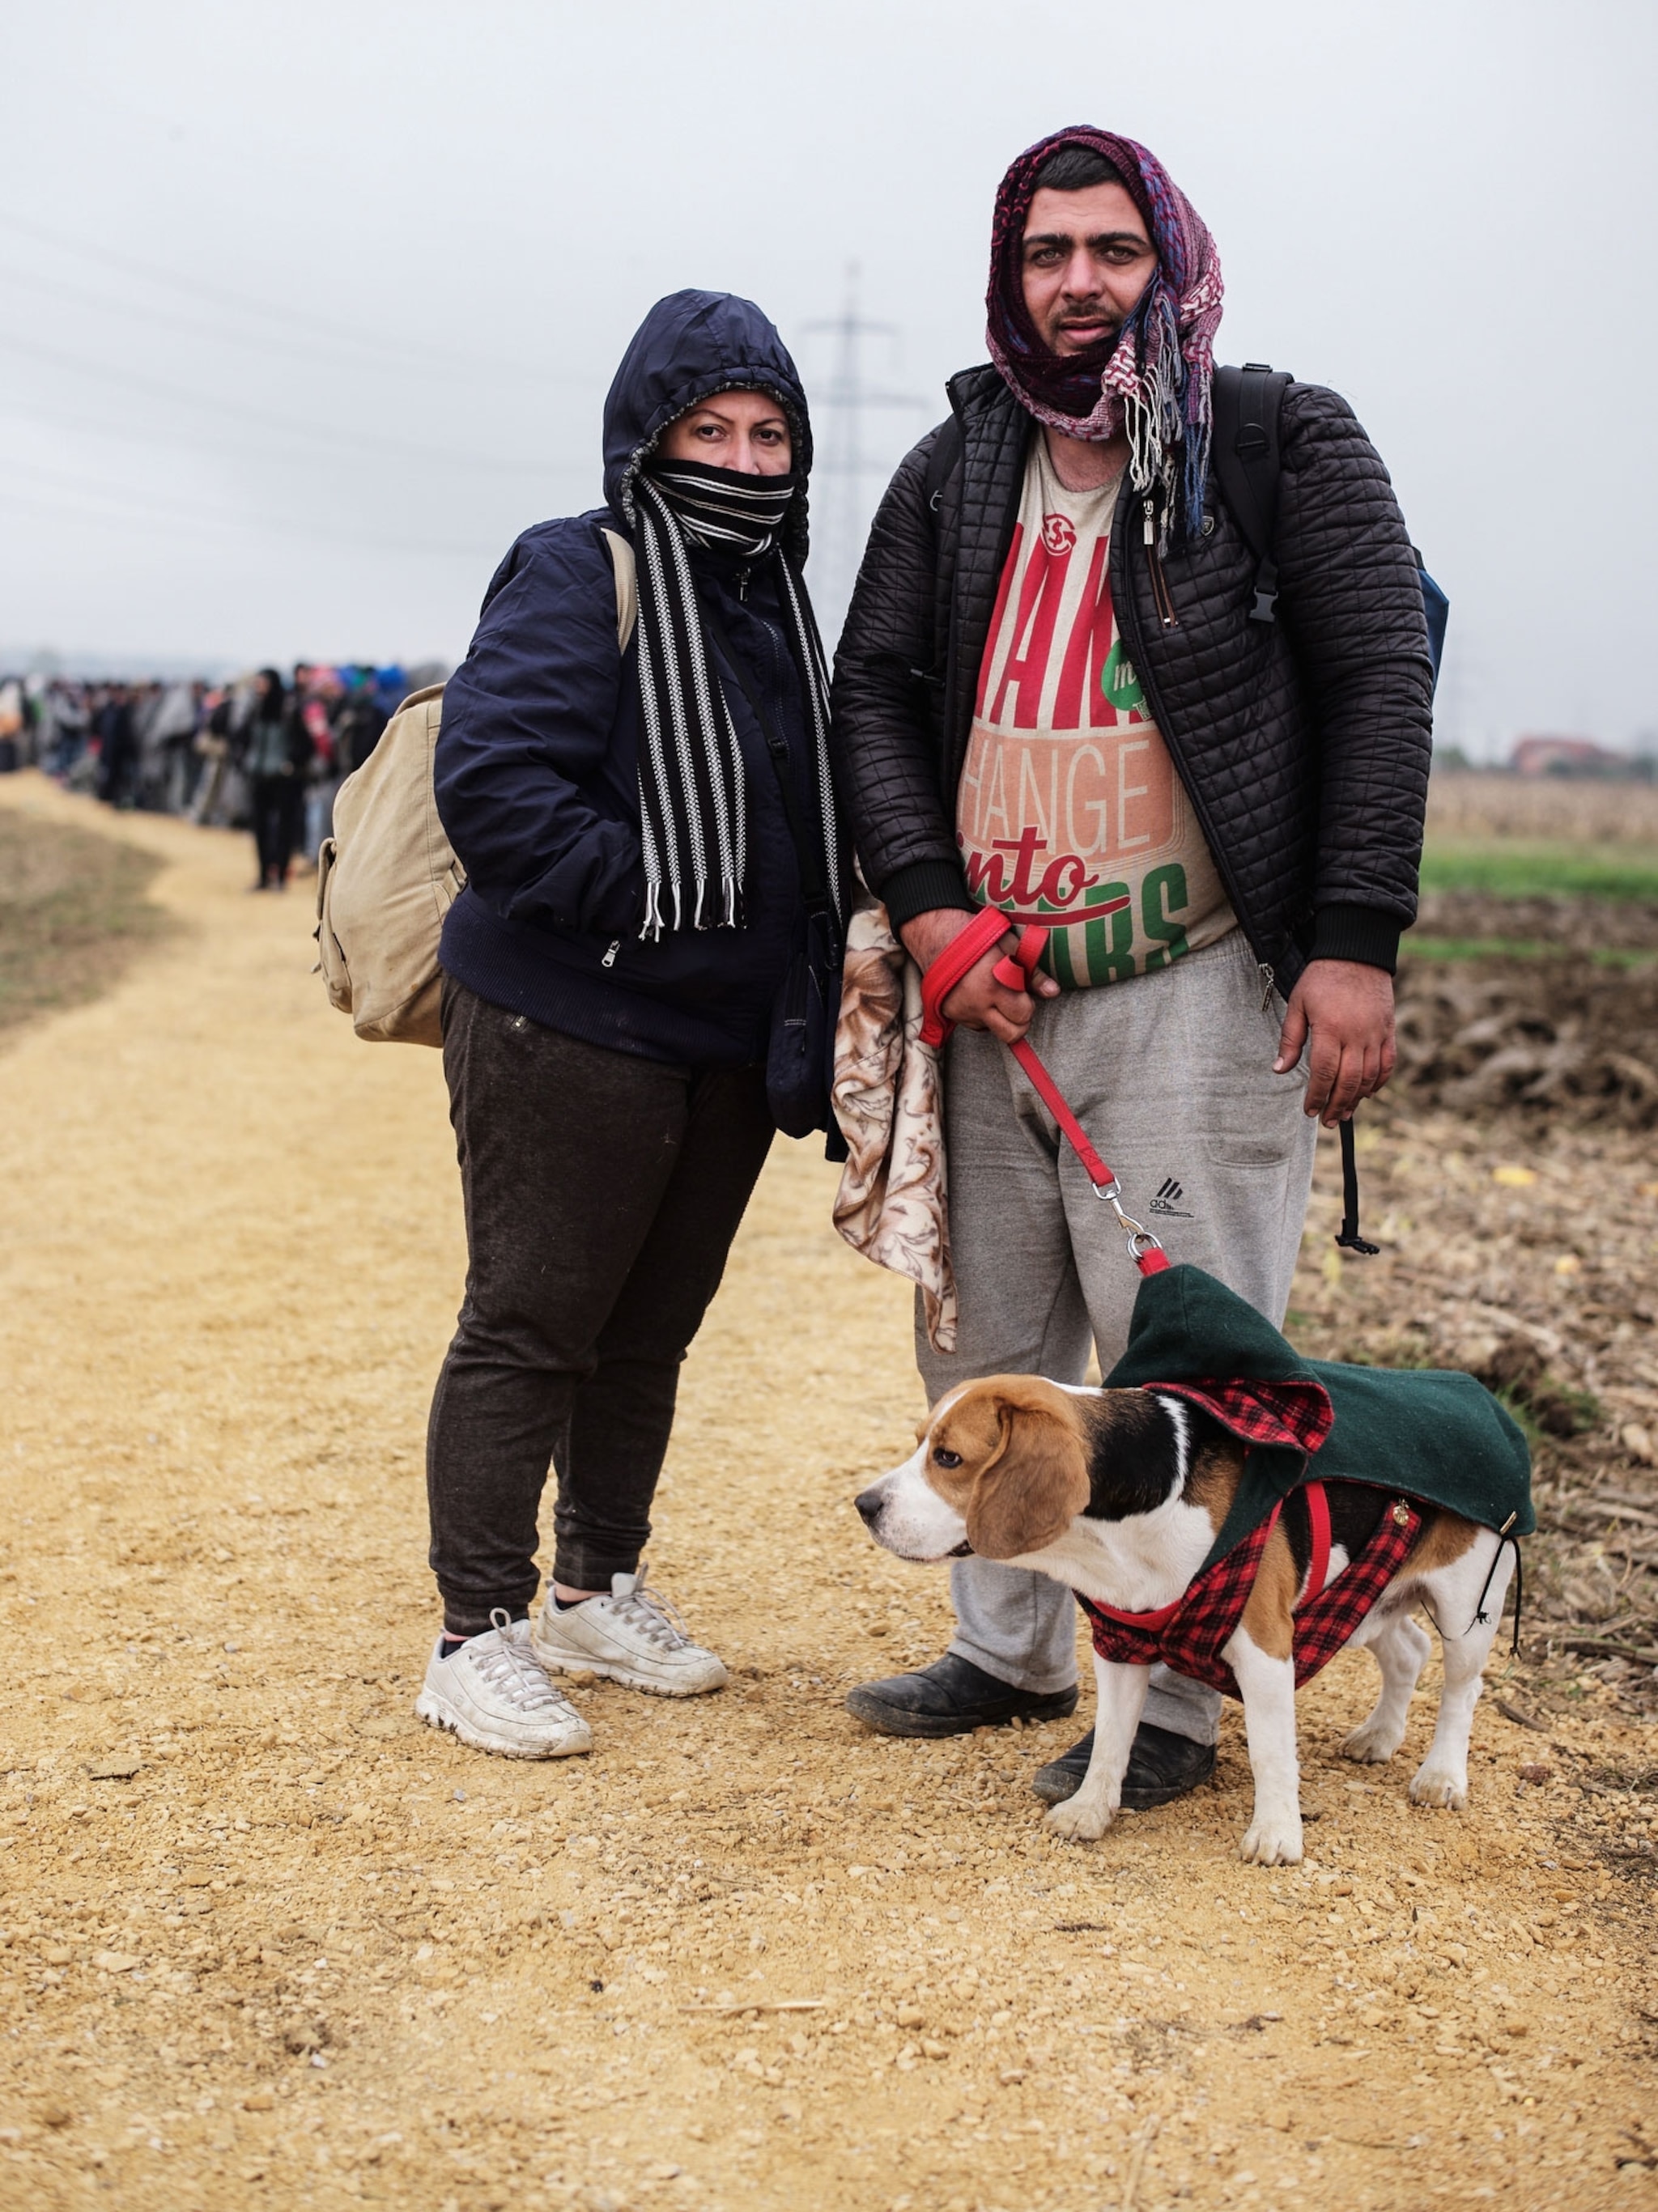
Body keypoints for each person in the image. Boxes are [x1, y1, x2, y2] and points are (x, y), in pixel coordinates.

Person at [831, 126, 1432, 1807]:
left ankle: (1169, 1709)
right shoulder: (956, 465)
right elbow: (869, 691)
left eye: (1110, 251)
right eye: (1045, 253)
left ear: (1166, 264)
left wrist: (1353, 946)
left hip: (1195, 975)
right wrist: (936, 911)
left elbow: (1381, 676)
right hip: (991, 991)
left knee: (1184, 1357)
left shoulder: (1277, 443)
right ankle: (1007, 1651)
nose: (1078, 283)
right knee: (985, 1345)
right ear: (1007, 273)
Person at [419, 289, 842, 1760]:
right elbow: (495, 784)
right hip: (570, 1016)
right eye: (703, 431)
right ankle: (474, 1629)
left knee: (648, 1330)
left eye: (766, 433)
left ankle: (593, 1585)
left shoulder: (777, 608)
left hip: (722, 1041)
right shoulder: (573, 567)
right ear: (640, 443)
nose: (736, 461)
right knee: (532, 1321)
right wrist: (656, 899)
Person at [236, 669, 313, 889]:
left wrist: (291, 764)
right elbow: (240, 737)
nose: (259, 687)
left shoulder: (288, 710)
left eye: (262, 683)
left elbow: (305, 744)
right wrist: (244, 761)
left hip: (283, 780)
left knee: (283, 828)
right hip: (259, 777)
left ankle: (279, 875)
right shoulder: (255, 710)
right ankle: (263, 876)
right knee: (260, 828)